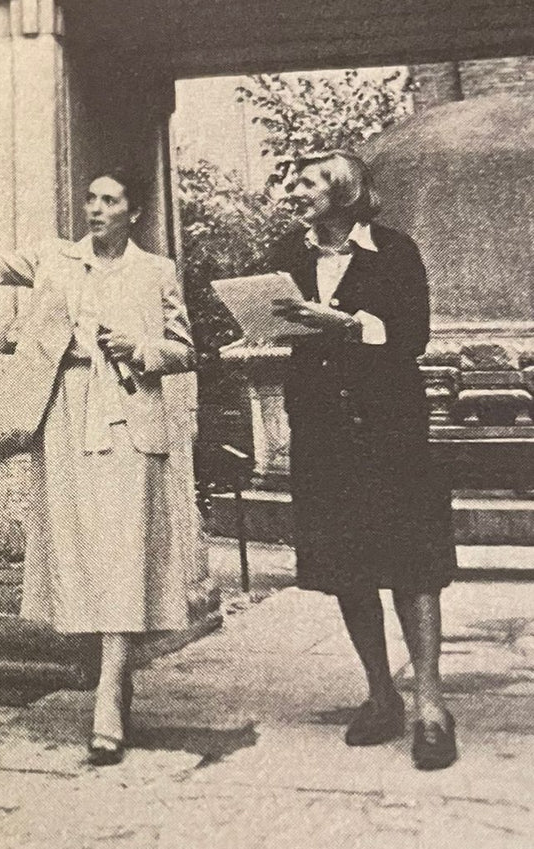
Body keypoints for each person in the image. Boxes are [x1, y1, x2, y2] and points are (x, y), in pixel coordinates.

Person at [0, 166, 198, 766]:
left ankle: (109, 694)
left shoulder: (156, 271)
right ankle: (114, 669)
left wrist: (144, 349)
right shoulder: (53, 259)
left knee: (125, 547)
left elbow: (186, 349)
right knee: (83, 549)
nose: (97, 208)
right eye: (92, 198)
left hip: (131, 411)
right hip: (65, 413)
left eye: (111, 199)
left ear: (133, 212)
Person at [269, 150, 458, 770]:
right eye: (296, 183)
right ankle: (382, 695)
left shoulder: (395, 251)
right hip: (322, 432)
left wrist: (346, 325)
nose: (298, 191)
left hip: (390, 431)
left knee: (412, 563)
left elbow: (412, 337)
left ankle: (430, 704)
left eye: (310, 182)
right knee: (348, 565)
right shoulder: (289, 256)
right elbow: (284, 330)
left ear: (345, 192)